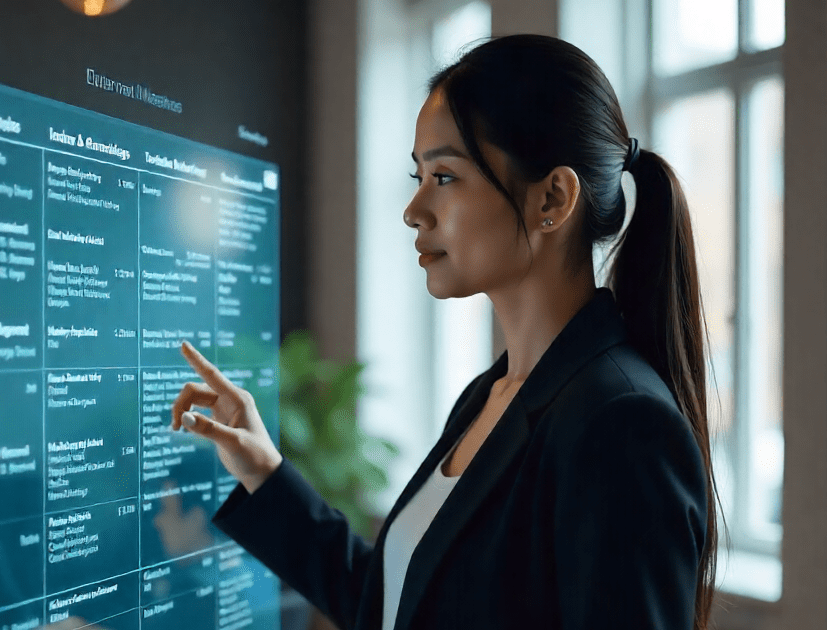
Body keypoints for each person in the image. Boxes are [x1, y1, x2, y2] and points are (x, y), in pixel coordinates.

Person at [171, 33, 719, 630]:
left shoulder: (620, 425)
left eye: (445, 176)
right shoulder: (490, 395)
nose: (413, 210)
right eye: (419, 176)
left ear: (552, 199)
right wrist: (263, 472)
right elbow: (393, 605)